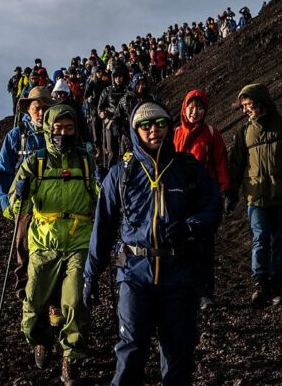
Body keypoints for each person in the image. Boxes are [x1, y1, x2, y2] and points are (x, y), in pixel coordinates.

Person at [83, 101, 221, 386]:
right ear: (135, 130)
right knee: (131, 351)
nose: (154, 130)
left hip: (179, 275)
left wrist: (189, 227)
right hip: (135, 274)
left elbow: (212, 207)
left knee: (178, 356)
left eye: (160, 123)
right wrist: (90, 275)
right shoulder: (121, 174)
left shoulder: (187, 168)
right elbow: (103, 227)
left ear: (169, 127)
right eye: (145, 125)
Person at [8, 104, 97, 385]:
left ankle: (71, 356)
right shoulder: (35, 163)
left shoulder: (86, 162)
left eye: (68, 129)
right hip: (44, 242)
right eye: (57, 129)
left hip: (79, 240)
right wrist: (20, 194)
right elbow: (14, 206)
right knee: (33, 303)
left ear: (76, 130)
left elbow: (100, 195)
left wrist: (105, 186)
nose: (62, 133)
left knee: (74, 301)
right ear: (48, 129)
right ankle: (41, 339)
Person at [227, 84, 282, 306]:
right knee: (260, 238)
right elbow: (236, 164)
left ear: (261, 102)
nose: (245, 110)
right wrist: (231, 192)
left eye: (248, 104)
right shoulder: (244, 132)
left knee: (280, 241)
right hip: (256, 197)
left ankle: (277, 284)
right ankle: (261, 284)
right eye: (243, 106)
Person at [173, 90, 231, 310]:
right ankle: (185, 290)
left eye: (199, 108)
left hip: (204, 197)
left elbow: (221, 163)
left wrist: (225, 190)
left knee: (204, 246)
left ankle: (205, 292)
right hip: (179, 196)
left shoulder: (212, 134)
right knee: (180, 244)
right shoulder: (174, 133)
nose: (194, 112)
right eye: (191, 107)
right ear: (184, 107)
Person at [0, 87, 54, 298]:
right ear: (28, 109)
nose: (41, 113)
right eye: (37, 108)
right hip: (25, 204)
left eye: (46, 108)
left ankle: (49, 297)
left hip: (52, 203)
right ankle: (25, 293)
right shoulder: (15, 136)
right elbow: (3, 172)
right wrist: (6, 204)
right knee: (23, 246)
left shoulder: (58, 134)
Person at [97, 65, 130, 169]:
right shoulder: (106, 91)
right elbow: (100, 108)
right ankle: (110, 175)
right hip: (110, 124)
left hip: (125, 124)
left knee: (127, 152)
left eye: (120, 77)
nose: (118, 79)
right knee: (112, 153)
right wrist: (103, 115)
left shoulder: (128, 91)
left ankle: (126, 174)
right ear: (112, 78)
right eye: (115, 77)